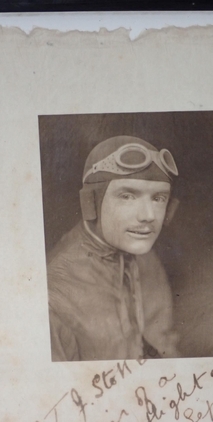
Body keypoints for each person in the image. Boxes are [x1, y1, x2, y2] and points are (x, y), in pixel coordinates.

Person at [46, 135, 181, 361]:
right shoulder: (54, 292)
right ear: (91, 203)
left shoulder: (147, 260)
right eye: (127, 196)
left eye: (158, 198)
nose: (148, 216)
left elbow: (166, 346)